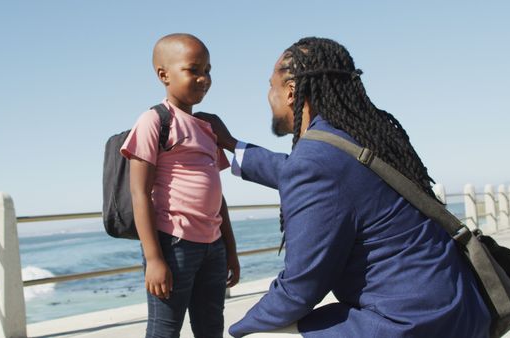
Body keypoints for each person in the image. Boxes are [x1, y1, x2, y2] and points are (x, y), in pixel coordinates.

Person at [196, 37, 490, 337]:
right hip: (461, 308)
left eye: (271, 87)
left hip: (410, 324)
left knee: (259, 334)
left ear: (291, 91)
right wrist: (232, 144)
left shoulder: (315, 161)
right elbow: (302, 172)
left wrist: (236, 331)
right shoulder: (366, 135)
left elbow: (299, 289)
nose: (268, 96)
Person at [120, 33, 240, 338]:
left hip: (212, 247)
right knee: (165, 329)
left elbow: (216, 195)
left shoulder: (207, 126)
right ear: (164, 74)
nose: (204, 78)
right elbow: (139, 193)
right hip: (174, 245)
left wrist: (230, 249)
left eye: (208, 70)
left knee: (211, 327)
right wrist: (154, 259)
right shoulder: (154, 121)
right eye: (193, 69)